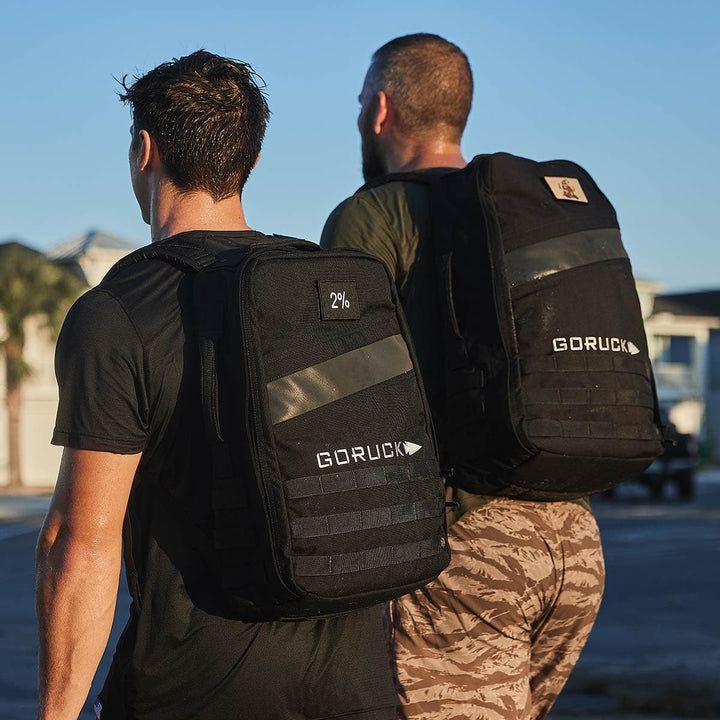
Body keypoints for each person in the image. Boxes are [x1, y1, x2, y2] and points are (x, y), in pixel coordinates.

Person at [36, 50, 397, 720]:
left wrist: (57, 712)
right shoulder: (331, 286)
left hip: (195, 690)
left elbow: (80, 544)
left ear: (144, 151)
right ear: (250, 162)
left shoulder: (119, 312)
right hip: (356, 687)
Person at [321, 33, 605, 720]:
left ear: (382, 110)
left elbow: (341, 396)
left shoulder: (373, 215)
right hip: (573, 540)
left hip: (469, 547)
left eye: (362, 101)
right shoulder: (520, 210)